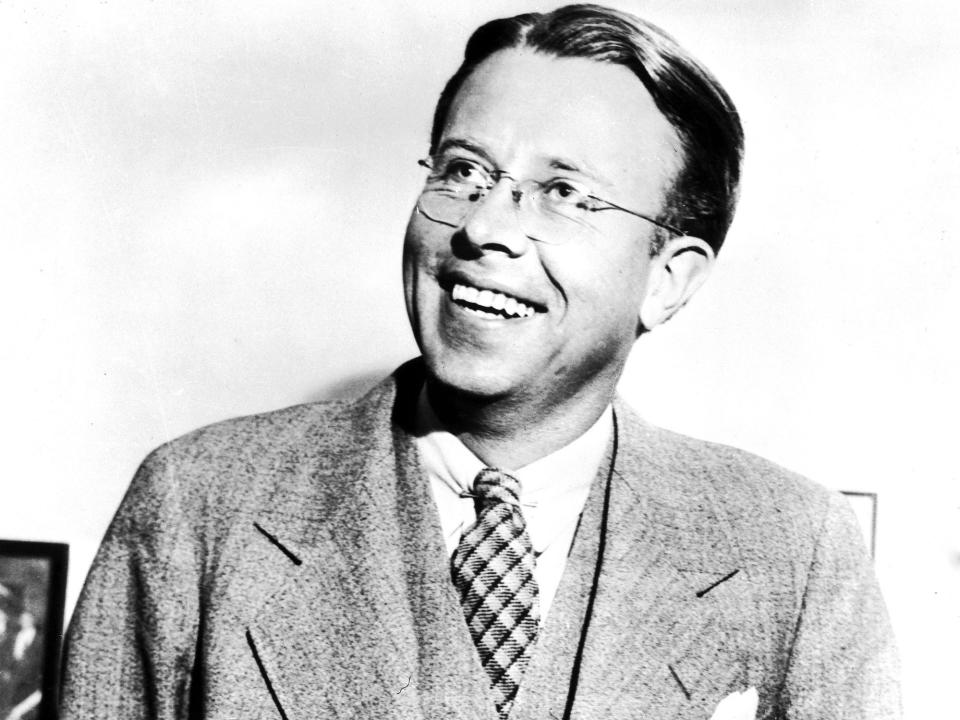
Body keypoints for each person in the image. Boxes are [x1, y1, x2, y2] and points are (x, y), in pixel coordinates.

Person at [60, 5, 900, 719]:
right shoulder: (199, 506)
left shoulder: (796, 552)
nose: (484, 228)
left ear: (669, 281)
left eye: (565, 192)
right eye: (464, 171)